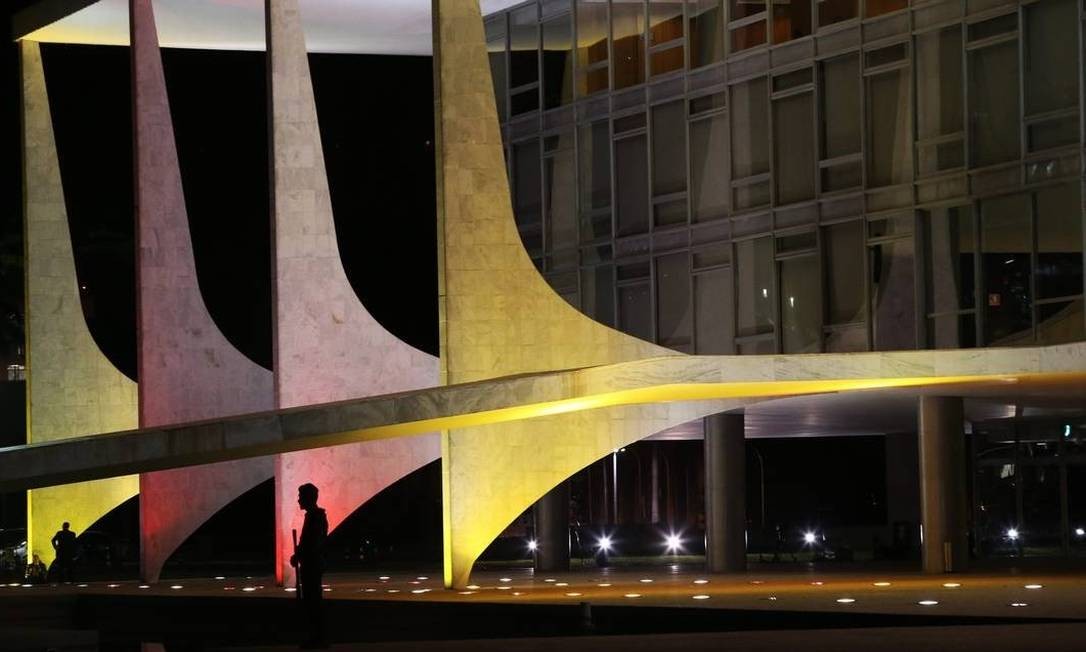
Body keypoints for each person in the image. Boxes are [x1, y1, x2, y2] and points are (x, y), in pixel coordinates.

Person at [290, 483, 328, 649]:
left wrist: (299, 554)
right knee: (312, 601)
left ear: (308, 498)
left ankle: (318, 637)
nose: (298, 500)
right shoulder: (313, 516)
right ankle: (316, 636)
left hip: (312, 565)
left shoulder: (316, 517)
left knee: (313, 601)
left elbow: (312, 542)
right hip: (311, 563)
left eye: (301, 496)